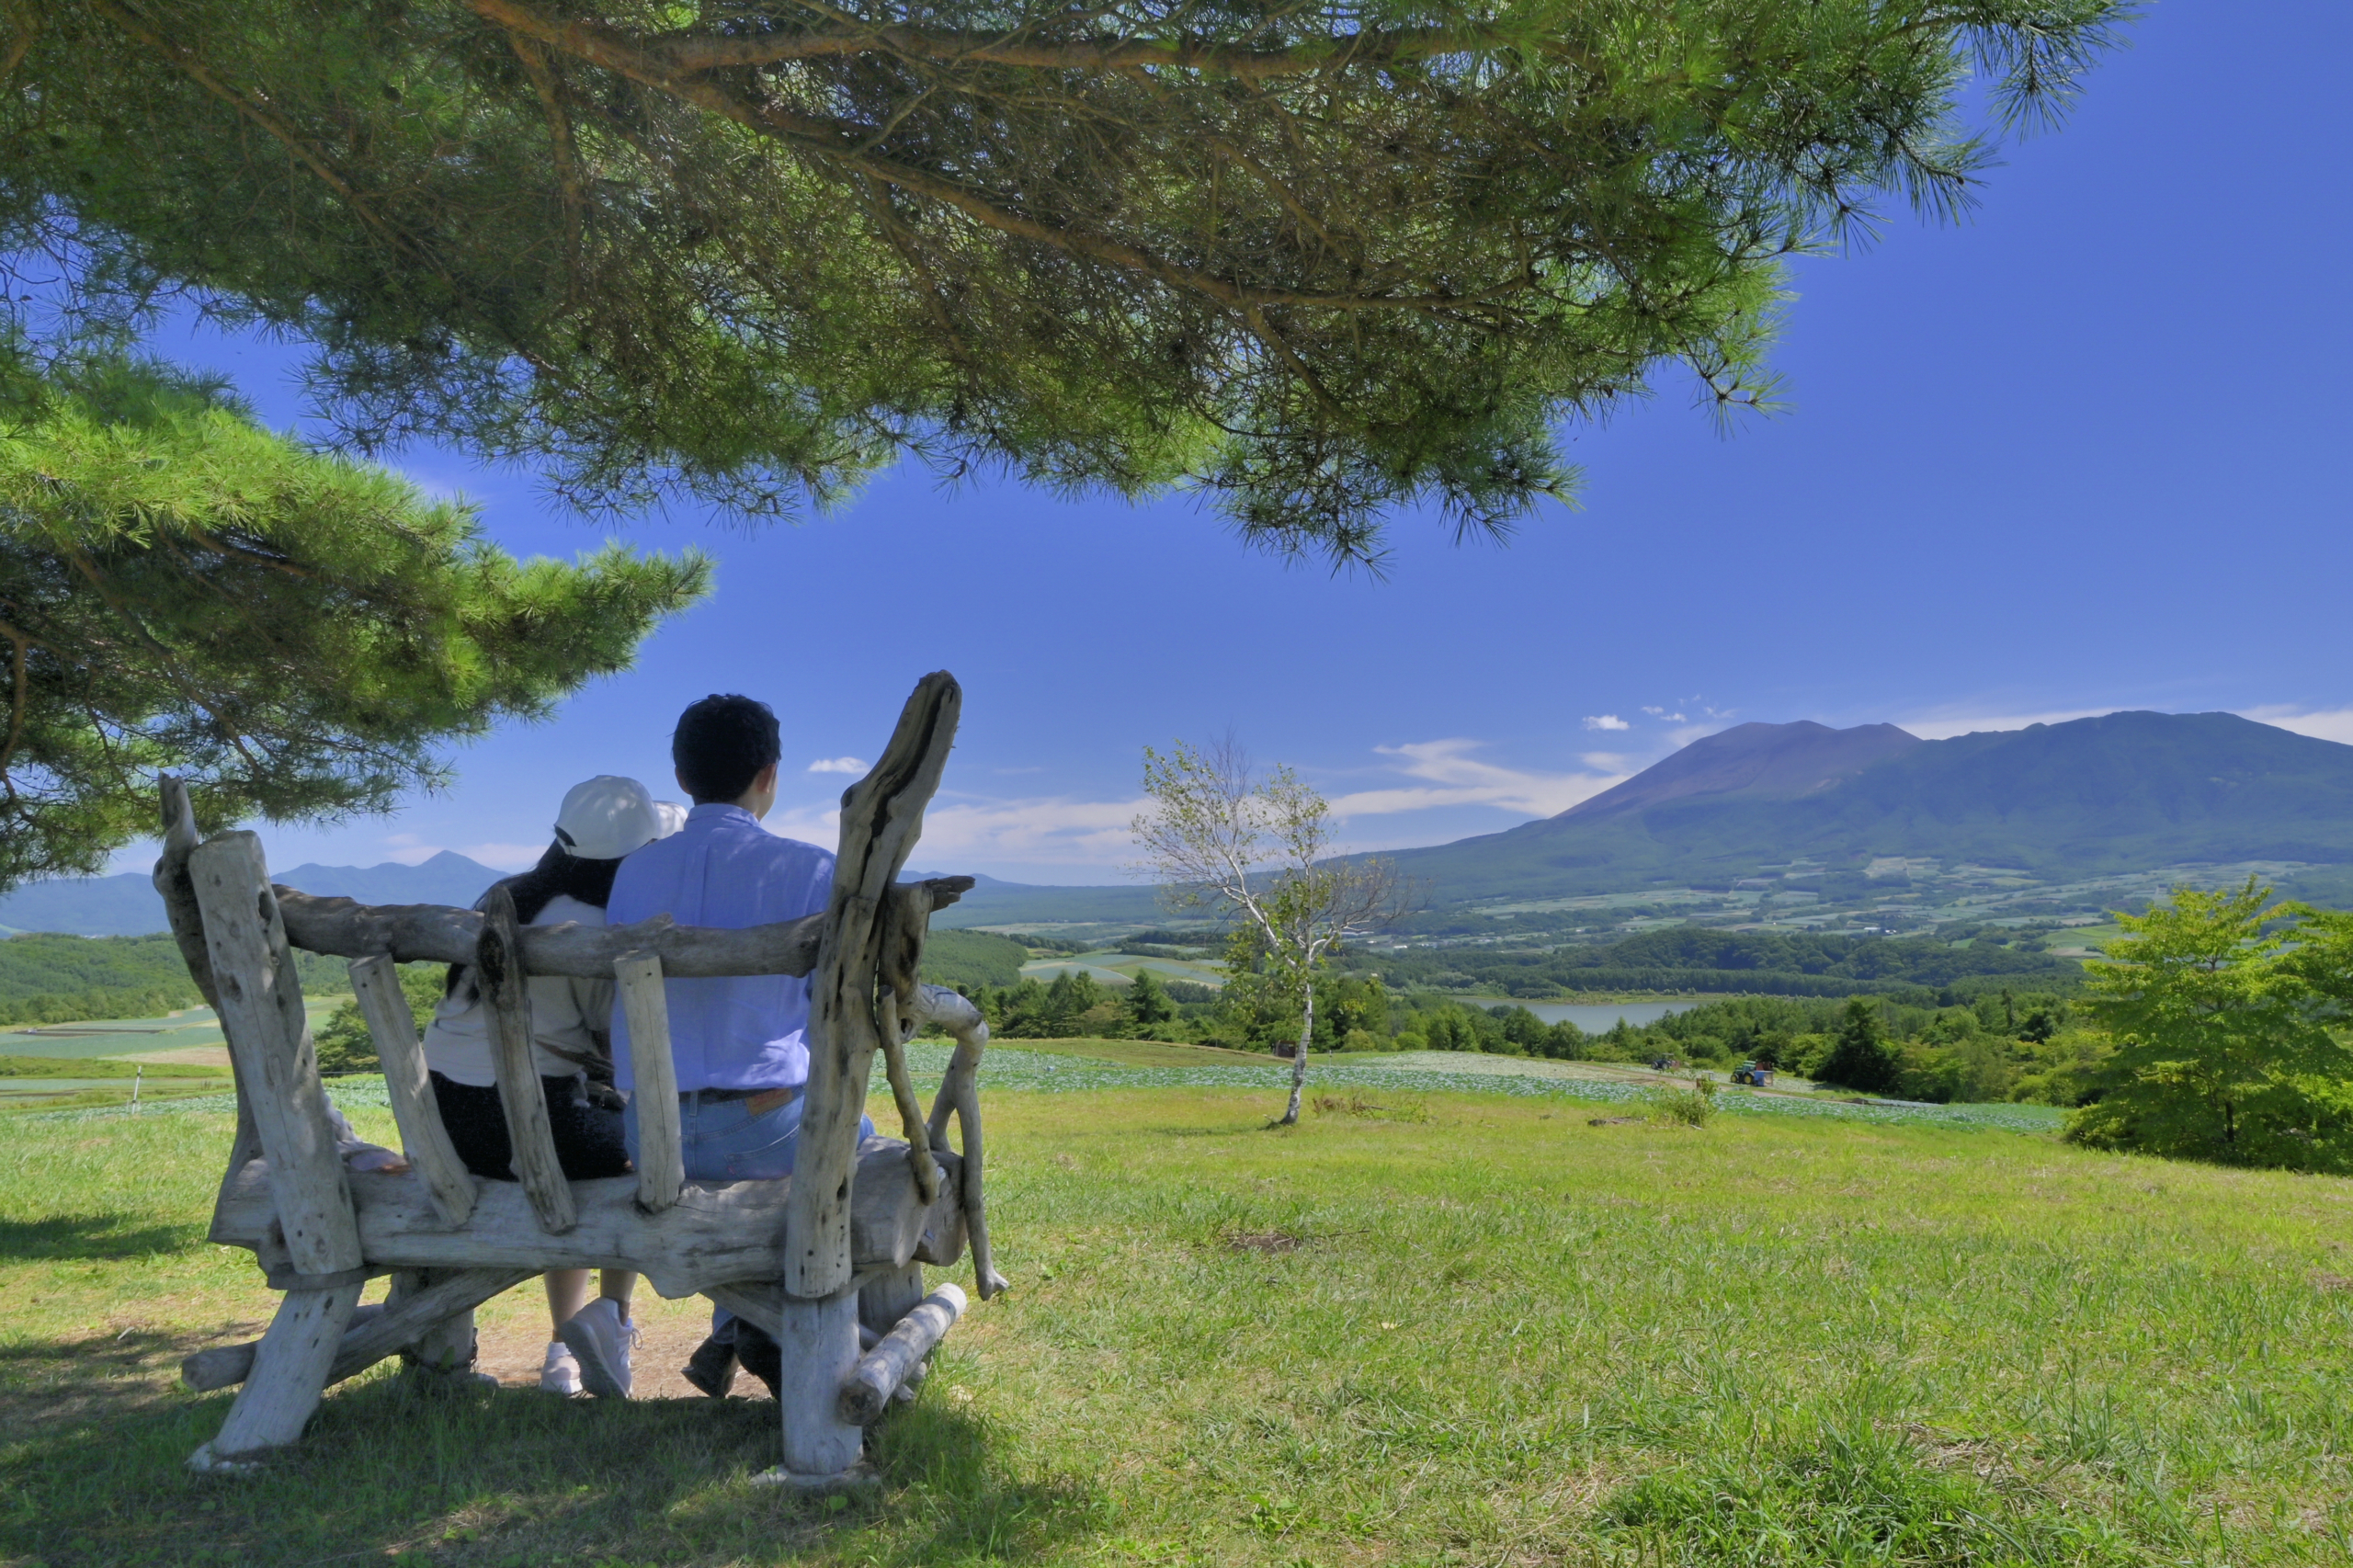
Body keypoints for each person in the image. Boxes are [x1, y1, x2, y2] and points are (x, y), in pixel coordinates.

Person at [605, 693, 870, 1400]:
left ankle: (735, 1326)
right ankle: (778, 1334)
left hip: (652, 1133)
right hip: (762, 1128)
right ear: (769, 774)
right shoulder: (811, 870)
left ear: (683, 778)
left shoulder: (635, 873)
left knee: (758, 1149)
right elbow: (834, 1015)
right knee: (864, 1150)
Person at [422, 775, 675, 1399]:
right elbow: (611, 1042)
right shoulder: (598, 923)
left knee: (574, 1139)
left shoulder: (504, 895)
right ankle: (609, 1320)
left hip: (449, 1125)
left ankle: (565, 1345)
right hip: (531, 1128)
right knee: (632, 1150)